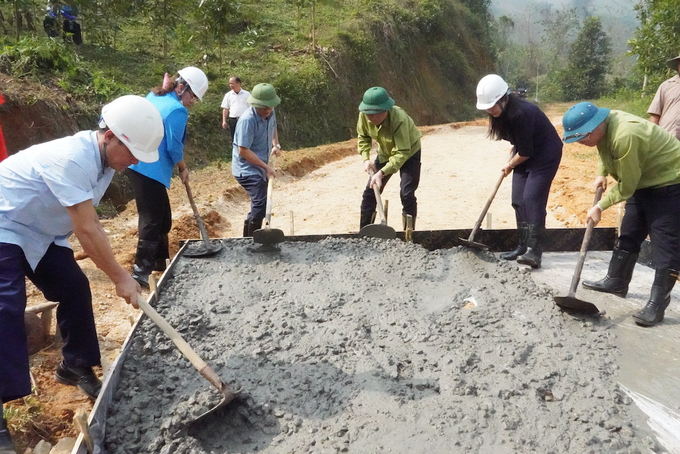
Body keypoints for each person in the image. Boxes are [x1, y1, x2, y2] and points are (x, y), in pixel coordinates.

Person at [0, 95, 164, 452]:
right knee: (5, 309)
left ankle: (75, 366)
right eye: (132, 152)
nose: (135, 161)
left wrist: (119, 273)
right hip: (4, 222)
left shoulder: (105, 164)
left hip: (39, 232)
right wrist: (122, 276)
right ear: (109, 137)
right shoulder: (72, 158)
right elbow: (89, 231)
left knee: (74, 286)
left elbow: (91, 227)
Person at [562, 101, 680, 327]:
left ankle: (657, 304)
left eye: (584, 137)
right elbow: (602, 149)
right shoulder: (602, 126)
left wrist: (599, 207)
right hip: (643, 180)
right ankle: (616, 281)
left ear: (596, 125)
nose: (584, 143)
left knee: (666, 246)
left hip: (670, 182)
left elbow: (626, 187)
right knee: (629, 232)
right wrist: (602, 172)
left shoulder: (626, 135)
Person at [127, 66, 209, 288]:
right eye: (193, 96)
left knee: (163, 217)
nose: (193, 102)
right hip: (149, 168)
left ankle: (160, 264)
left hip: (137, 162)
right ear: (182, 88)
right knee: (152, 218)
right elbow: (174, 148)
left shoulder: (155, 96)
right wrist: (183, 168)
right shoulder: (177, 111)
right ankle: (140, 272)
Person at [475, 74, 562, 269]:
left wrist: (510, 164)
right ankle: (522, 247)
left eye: (492, 105)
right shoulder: (500, 114)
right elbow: (519, 144)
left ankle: (534, 251)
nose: (489, 110)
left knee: (532, 199)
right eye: (487, 107)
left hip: (545, 154)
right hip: (525, 151)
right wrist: (513, 155)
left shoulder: (522, 113)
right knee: (518, 200)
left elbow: (526, 151)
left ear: (503, 98)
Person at [357, 87, 422, 231]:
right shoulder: (364, 115)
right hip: (385, 152)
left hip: (409, 152)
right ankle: (365, 232)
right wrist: (366, 158)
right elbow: (363, 137)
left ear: (386, 109)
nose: (372, 118)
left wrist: (382, 172)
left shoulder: (399, 118)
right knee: (370, 192)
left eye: (376, 114)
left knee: (407, 193)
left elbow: (402, 152)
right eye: (369, 115)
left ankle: (409, 233)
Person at [231, 83, 282, 237]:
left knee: (260, 204)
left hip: (260, 166)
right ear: (255, 104)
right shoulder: (248, 120)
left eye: (270, 107)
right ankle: (252, 241)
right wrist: (266, 167)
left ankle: (247, 237)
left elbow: (273, 127)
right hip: (246, 169)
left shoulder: (271, 113)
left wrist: (276, 144)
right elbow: (243, 150)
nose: (267, 110)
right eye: (263, 108)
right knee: (260, 204)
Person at [647, 52, 680, 140]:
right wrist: (652, 137)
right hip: (666, 138)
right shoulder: (666, 85)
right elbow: (655, 115)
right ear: (678, 65)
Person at [221, 76, 250, 145]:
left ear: (238, 83)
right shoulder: (228, 95)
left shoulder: (247, 94)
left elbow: (251, 108)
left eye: (232, 83)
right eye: (230, 84)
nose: (231, 85)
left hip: (244, 119)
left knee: (245, 136)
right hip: (233, 119)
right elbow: (225, 108)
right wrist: (224, 121)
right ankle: (236, 153)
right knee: (234, 138)